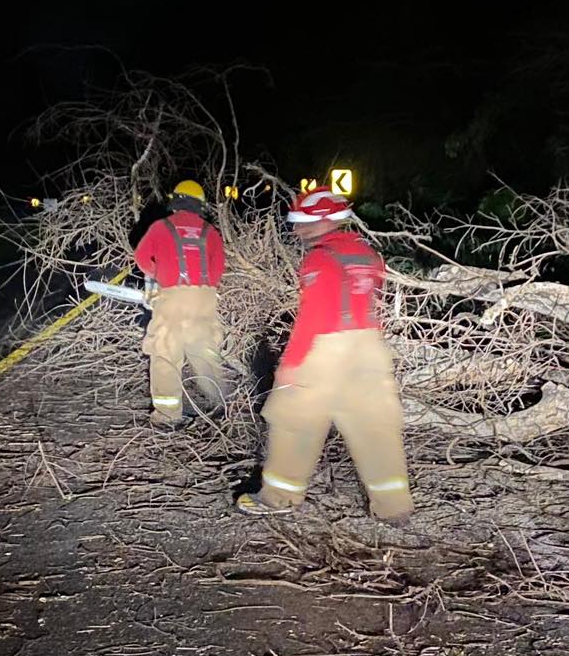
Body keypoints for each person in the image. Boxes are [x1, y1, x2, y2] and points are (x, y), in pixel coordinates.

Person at [238, 187, 411, 520]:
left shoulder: (320, 258)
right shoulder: (368, 254)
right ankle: (394, 506)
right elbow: (381, 301)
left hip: (326, 348)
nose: (298, 230)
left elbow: (313, 316)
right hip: (370, 347)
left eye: (305, 224)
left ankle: (278, 497)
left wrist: (290, 364)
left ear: (325, 222)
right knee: (375, 426)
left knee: (294, 420)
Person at [131, 179, 227, 423]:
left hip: (172, 298)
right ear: (200, 206)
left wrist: (159, 275)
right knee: (205, 351)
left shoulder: (160, 227)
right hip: (204, 298)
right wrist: (203, 289)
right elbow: (218, 268)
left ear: (175, 202)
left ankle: (167, 416)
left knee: (165, 354)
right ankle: (221, 405)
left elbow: (141, 257)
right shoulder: (210, 231)